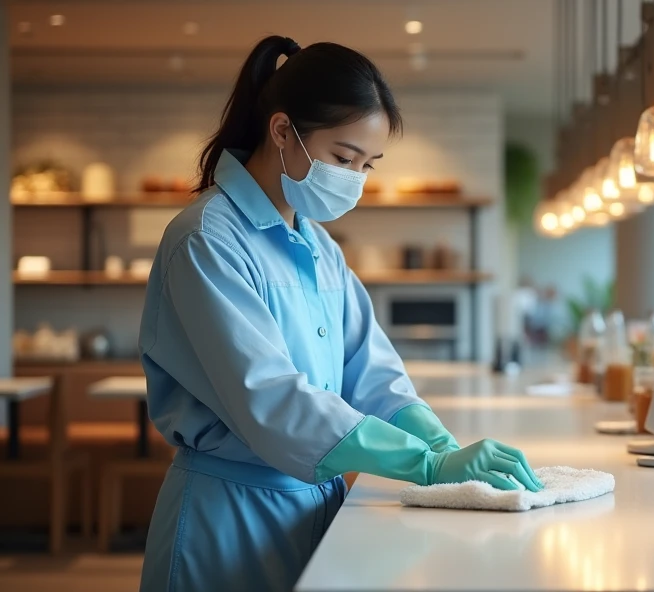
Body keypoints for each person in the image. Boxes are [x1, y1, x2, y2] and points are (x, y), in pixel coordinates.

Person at [138, 36, 542, 592]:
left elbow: (370, 373)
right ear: (282, 131)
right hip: (229, 515)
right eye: (343, 158)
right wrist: (424, 465)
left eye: (367, 164)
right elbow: (271, 401)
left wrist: (442, 448)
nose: (354, 179)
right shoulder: (208, 239)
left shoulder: (320, 247)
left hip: (317, 503)